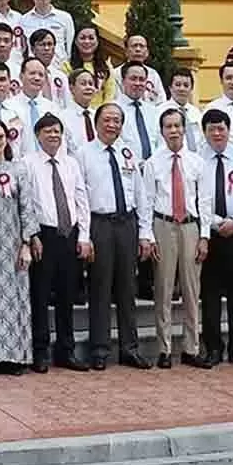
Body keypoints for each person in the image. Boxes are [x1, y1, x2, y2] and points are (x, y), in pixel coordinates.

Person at [79, 103, 150, 371]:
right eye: (107, 119)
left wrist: (145, 233)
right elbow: (81, 197)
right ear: (97, 123)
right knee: (100, 287)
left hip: (127, 223)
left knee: (127, 288)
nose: (112, 125)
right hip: (100, 224)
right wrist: (84, 235)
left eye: (117, 120)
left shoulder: (128, 152)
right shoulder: (84, 154)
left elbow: (140, 193)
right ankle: (99, 349)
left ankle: (129, 348)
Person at [143, 107, 212, 369]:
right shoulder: (153, 163)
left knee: (192, 290)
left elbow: (204, 201)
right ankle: (164, 348)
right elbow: (147, 202)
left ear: (184, 129)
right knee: (163, 288)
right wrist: (148, 237)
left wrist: (204, 236)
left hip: (191, 228)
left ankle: (191, 348)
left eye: (177, 126)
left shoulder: (196, 162)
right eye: (168, 126)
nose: (173, 131)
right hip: (163, 225)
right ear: (161, 131)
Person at [26, 114, 91, 373]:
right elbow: (27, 202)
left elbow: (81, 200)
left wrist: (84, 236)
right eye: (47, 131)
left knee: (67, 296)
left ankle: (67, 350)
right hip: (44, 235)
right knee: (40, 296)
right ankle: (40, 352)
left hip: (69, 234)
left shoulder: (70, 163)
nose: (53, 136)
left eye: (57, 131)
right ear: (37, 135)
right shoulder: (27, 164)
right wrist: (32, 236)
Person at [0, 119, 38, 373]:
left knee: (15, 299)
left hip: (13, 244)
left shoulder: (19, 170)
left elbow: (27, 207)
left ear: (6, 139)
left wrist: (26, 243)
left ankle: (15, 357)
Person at [197, 108, 233, 367]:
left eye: (222, 128)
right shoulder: (197, 160)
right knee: (210, 294)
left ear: (228, 130)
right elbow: (195, 198)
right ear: (205, 132)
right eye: (212, 129)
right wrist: (215, 222)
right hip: (209, 235)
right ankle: (212, 349)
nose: (217, 133)